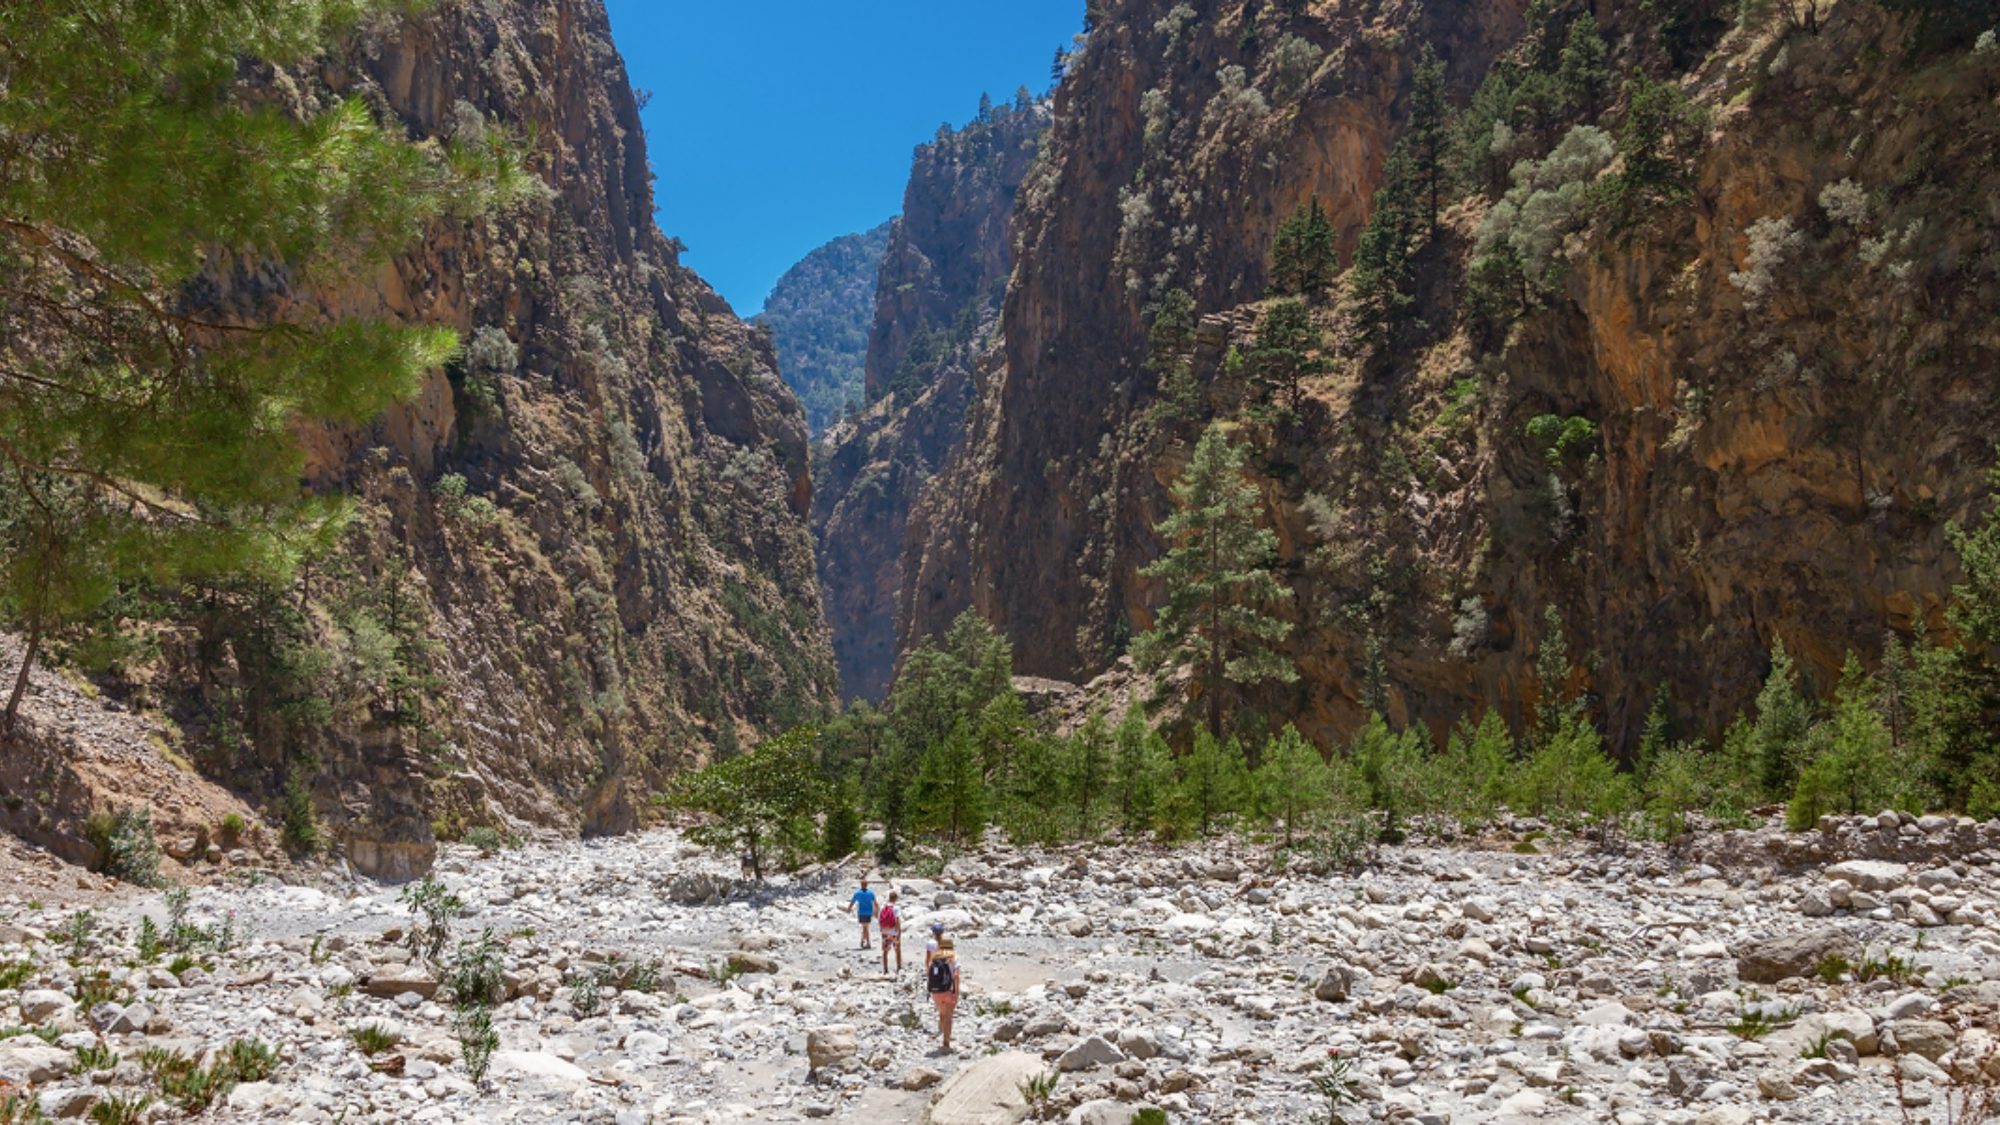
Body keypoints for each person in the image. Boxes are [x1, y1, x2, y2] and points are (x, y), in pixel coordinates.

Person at [926, 934, 961, 1053]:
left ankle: (944, 1038)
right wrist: (956, 993)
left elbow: (929, 973)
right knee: (949, 1017)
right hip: (948, 990)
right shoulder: (954, 958)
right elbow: (956, 976)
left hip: (936, 991)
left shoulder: (934, 958)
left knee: (942, 1014)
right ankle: (946, 1041)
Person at [844, 876, 877, 949]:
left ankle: (867, 942)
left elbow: (852, 902)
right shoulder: (870, 893)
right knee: (865, 927)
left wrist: (849, 909)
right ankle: (863, 940)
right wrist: (876, 911)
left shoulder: (857, 893)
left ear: (861, 885)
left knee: (865, 927)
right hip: (869, 912)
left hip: (861, 912)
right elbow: (875, 902)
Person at [878, 891, 903, 975]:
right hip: (894, 933)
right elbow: (897, 920)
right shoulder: (896, 908)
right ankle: (899, 967)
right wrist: (899, 931)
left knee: (885, 951)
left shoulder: (882, 907)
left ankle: (885, 969)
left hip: (885, 932)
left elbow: (879, 919)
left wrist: (881, 929)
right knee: (897, 950)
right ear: (895, 898)